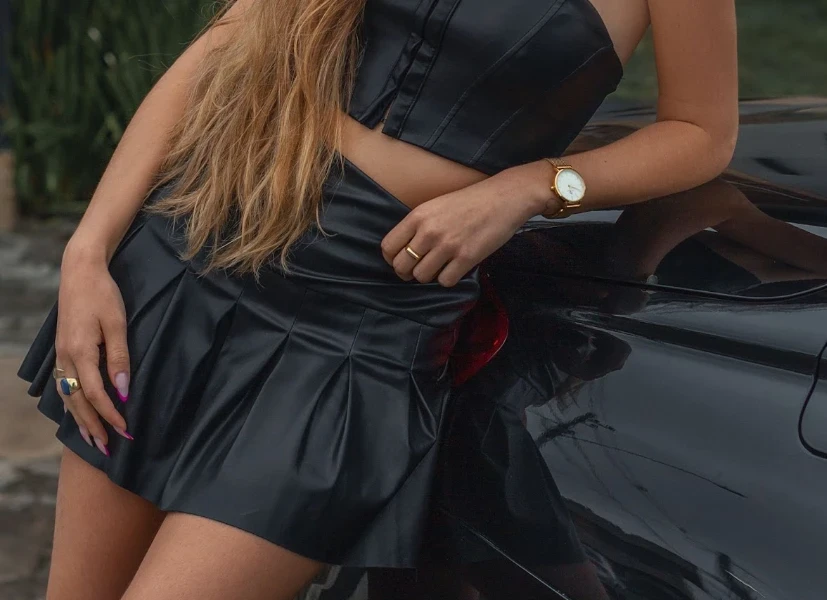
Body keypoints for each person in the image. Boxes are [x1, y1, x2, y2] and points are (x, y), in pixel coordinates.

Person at [17, 0, 738, 598]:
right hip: (188, 263)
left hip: (357, 339)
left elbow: (701, 133)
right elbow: (226, 43)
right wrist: (87, 255)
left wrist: (533, 188)